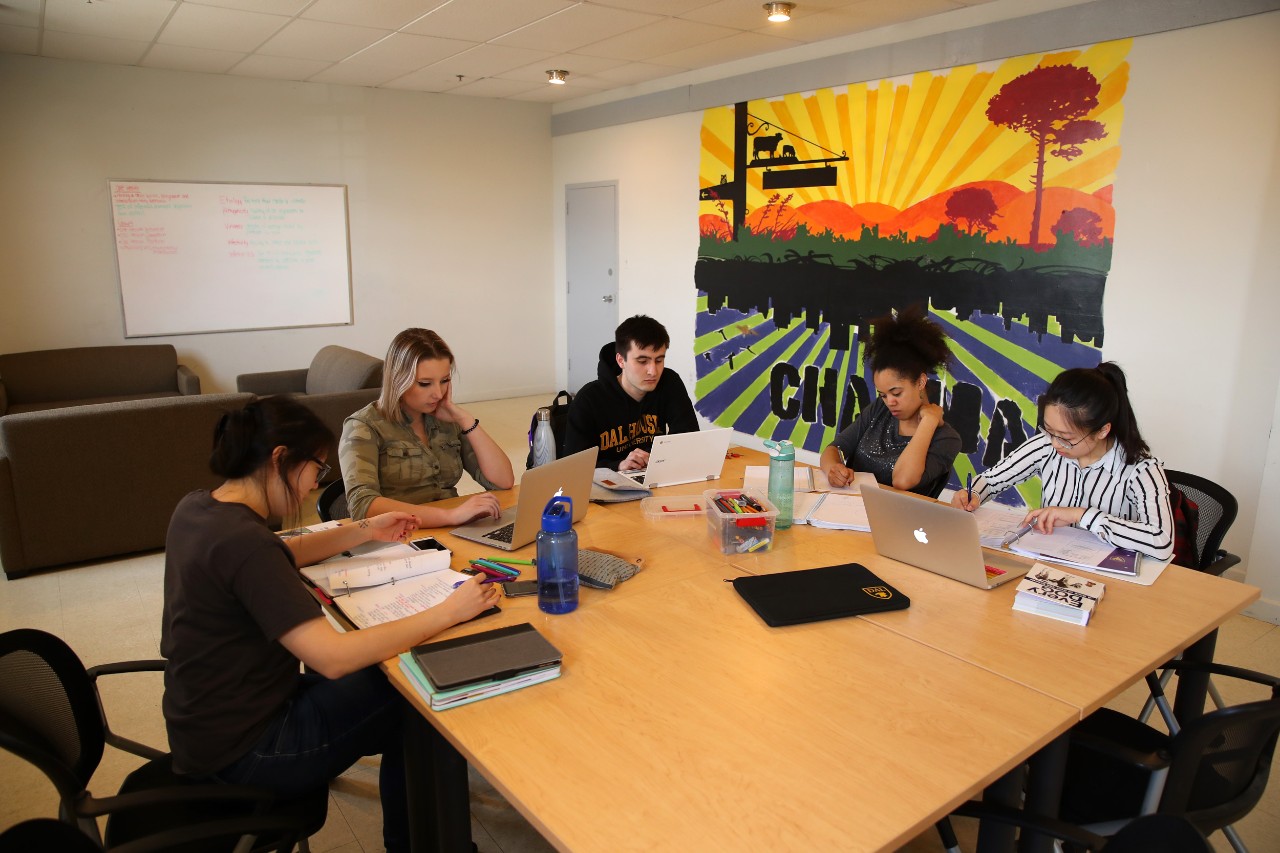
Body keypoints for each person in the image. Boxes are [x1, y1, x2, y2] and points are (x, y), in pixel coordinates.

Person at [161, 396, 501, 853]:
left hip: (206, 724)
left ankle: (416, 838)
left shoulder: (200, 509)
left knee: (387, 687)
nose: (310, 489)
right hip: (250, 750)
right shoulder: (246, 545)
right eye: (313, 471)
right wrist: (448, 612)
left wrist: (366, 530)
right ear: (280, 458)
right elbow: (333, 657)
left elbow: (280, 552)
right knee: (418, 702)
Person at [952, 362, 1174, 561]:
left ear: (1103, 430)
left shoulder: (1140, 469)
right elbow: (992, 480)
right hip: (1048, 564)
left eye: (1067, 438)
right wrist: (974, 493)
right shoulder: (1046, 446)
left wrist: (1082, 515)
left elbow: (1161, 541)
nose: (1056, 444)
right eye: (1049, 431)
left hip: (1114, 577)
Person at [340, 328, 515, 527]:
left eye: (445, 381)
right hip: (399, 536)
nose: (438, 394)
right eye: (425, 384)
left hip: (452, 528)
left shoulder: (447, 419)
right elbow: (363, 506)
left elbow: (503, 481)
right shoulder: (363, 427)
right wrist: (449, 516)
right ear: (398, 380)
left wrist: (466, 420)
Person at [819, 306, 961, 495]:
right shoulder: (879, 410)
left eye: (896, 393)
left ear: (920, 381)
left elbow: (902, 481)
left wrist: (928, 421)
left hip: (903, 522)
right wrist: (833, 469)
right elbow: (834, 449)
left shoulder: (946, 438)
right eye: (883, 395)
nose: (889, 402)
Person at [564, 314, 699, 471]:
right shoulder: (589, 399)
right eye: (642, 361)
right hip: (606, 483)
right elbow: (574, 466)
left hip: (652, 476)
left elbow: (689, 438)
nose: (653, 371)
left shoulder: (669, 382)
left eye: (659, 360)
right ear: (621, 360)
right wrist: (619, 465)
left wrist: (656, 459)